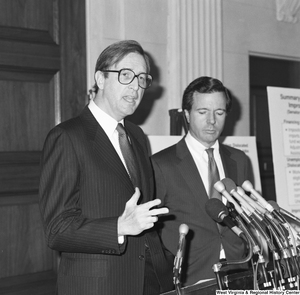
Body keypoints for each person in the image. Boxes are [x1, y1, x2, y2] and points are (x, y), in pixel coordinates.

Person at [39, 40, 174, 295]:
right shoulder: (67, 137)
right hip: (99, 286)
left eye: (143, 78)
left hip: (151, 281)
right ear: (100, 79)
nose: (136, 86)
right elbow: (57, 230)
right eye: (126, 75)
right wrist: (119, 227)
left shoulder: (136, 135)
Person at [151, 76, 253, 286]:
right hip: (190, 280)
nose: (211, 121)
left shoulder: (239, 160)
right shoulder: (161, 164)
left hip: (239, 272)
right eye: (202, 112)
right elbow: (152, 233)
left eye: (219, 112)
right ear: (187, 114)